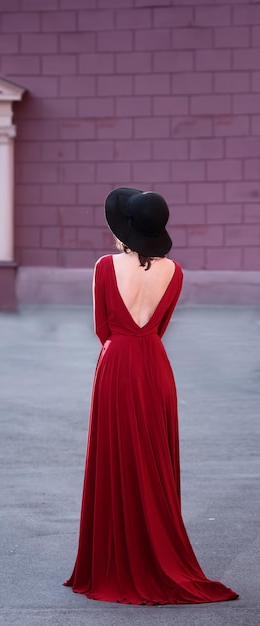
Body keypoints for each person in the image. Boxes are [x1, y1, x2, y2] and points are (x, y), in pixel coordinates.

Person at [63, 187, 238, 605]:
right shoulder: (175, 273)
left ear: (126, 229)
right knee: (154, 462)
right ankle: (158, 554)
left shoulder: (104, 266)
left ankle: (117, 560)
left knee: (117, 459)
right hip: (155, 368)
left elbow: (101, 330)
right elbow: (159, 328)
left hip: (117, 366)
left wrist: (122, 345)